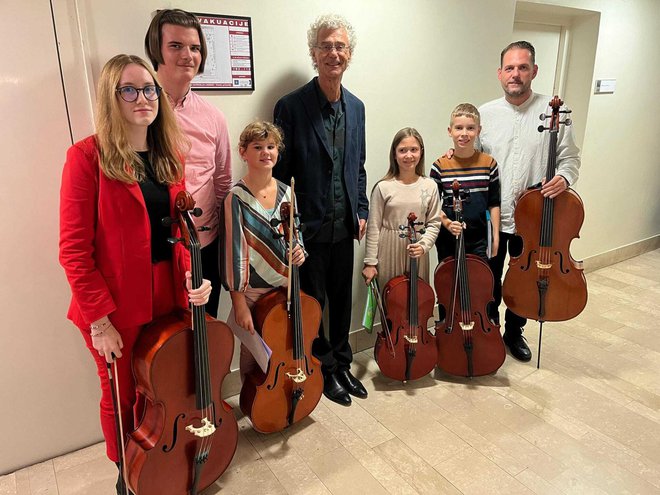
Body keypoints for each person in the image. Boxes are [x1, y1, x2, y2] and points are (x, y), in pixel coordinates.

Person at [59, 54, 212, 494]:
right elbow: (73, 251)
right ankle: (127, 474)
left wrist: (191, 277)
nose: (143, 98)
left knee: (162, 389)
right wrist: (99, 322)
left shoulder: (169, 156)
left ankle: (162, 463)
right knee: (122, 395)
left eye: (149, 89)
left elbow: (182, 235)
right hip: (116, 307)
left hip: (168, 295)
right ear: (112, 98)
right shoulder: (86, 158)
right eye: (129, 89)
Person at [273, 14, 368, 406]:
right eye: (326, 46)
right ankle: (323, 366)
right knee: (313, 305)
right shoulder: (291, 107)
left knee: (342, 300)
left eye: (340, 46)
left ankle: (343, 362)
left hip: (345, 226)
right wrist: (288, 227)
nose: (334, 53)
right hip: (307, 230)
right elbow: (279, 176)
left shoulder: (357, 107)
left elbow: (358, 165)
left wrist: (360, 208)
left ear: (349, 54)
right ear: (314, 54)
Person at [478, 41, 581, 361]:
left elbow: (570, 159)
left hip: (534, 221)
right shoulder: (485, 113)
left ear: (534, 71)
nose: (515, 74)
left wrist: (564, 178)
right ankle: (490, 329)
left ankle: (514, 331)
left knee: (527, 277)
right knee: (490, 279)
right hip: (494, 217)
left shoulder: (556, 114)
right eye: (509, 68)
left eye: (523, 67)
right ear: (499, 73)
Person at [145, 9, 232, 317]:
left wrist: (225, 245)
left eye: (195, 48)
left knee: (205, 332)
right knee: (164, 345)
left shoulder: (213, 116)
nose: (188, 55)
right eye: (176, 46)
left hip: (203, 245)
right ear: (157, 50)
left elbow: (222, 183)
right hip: (156, 250)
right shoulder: (139, 112)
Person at [222, 121, 305, 382]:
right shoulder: (236, 197)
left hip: (286, 288)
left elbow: (297, 231)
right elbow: (235, 252)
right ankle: (254, 401)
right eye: (258, 147)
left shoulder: (287, 192)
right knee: (252, 356)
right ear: (243, 152)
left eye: (271, 146)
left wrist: (301, 250)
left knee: (287, 347)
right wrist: (239, 304)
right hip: (252, 293)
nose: (266, 152)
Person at [362, 128, 441, 291]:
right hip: (388, 249)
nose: (409, 155)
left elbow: (434, 223)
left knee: (418, 302)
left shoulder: (430, 185)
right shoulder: (383, 187)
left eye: (414, 150)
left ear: (421, 152)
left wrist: (424, 245)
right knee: (392, 303)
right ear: (394, 154)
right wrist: (370, 262)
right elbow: (374, 226)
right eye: (402, 150)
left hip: (418, 249)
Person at [432, 104, 501, 263]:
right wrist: (448, 224)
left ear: (479, 130)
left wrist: (495, 236)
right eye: (458, 128)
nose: (464, 133)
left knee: (478, 284)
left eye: (470, 128)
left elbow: (494, 203)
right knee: (450, 285)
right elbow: (432, 206)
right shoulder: (439, 166)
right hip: (448, 239)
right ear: (450, 131)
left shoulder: (489, 164)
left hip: (479, 239)